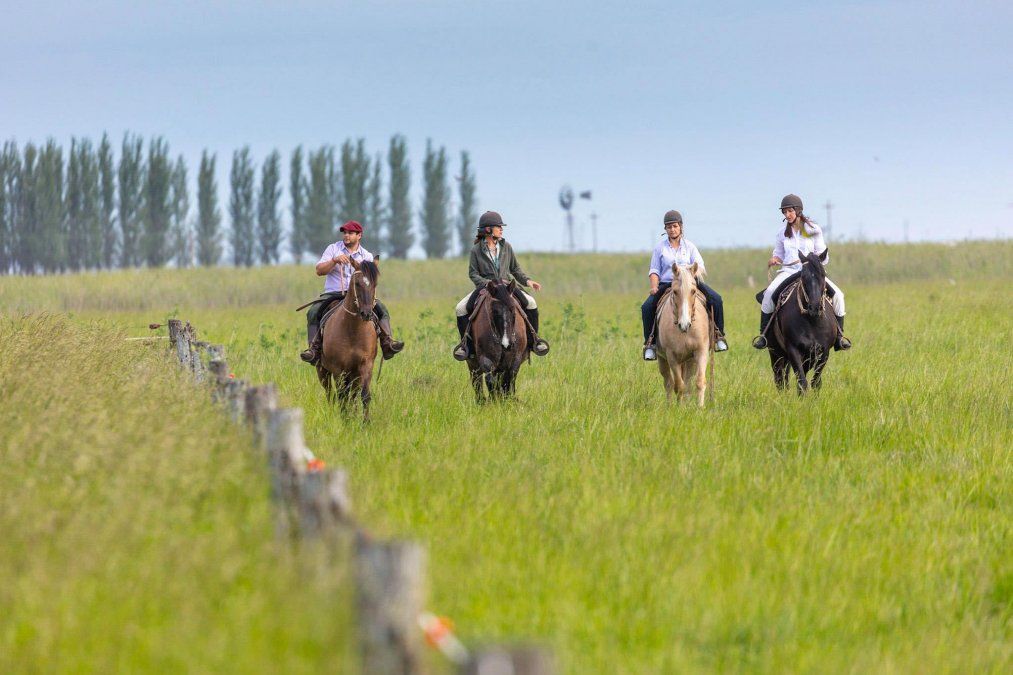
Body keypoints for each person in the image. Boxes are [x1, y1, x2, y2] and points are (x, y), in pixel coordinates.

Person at [752, 194, 851, 350]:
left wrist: (814, 260)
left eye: (790, 211)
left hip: (811, 272)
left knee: (838, 295)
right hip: (789, 271)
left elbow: (823, 257)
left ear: (798, 210)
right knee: (769, 293)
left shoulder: (813, 229)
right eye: (784, 212)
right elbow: (778, 253)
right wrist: (775, 259)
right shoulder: (782, 232)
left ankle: (839, 337)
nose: (787, 215)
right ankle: (764, 335)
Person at [299, 220, 404, 364]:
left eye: (350, 233)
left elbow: (371, 280)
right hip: (334, 293)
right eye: (345, 233)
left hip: (360, 295)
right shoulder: (333, 249)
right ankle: (313, 349)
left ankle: (387, 343)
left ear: (359, 235)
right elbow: (319, 270)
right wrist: (334, 261)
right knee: (313, 312)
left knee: (382, 309)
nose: (346, 235)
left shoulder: (366, 256)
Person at [452, 211, 550, 360]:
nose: (501, 229)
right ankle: (467, 347)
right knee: (460, 308)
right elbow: (473, 274)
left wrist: (528, 281)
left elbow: (515, 269)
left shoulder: (507, 247)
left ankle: (534, 342)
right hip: (487, 287)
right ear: (488, 230)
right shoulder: (476, 250)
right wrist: (487, 284)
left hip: (507, 286)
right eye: (498, 227)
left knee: (531, 303)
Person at [641, 210, 728, 361]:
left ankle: (719, 335)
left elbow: (700, 265)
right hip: (668, 283)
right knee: (647, 307)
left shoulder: (690, 247)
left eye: (675, 226)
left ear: (681, 227)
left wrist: (691, 274)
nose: (672, 229)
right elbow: (654, 270)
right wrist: (654, 286)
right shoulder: (660, 248)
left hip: (690, 281)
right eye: (669, 227)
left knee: (716, 299)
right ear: (665, 229)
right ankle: (650, 344)